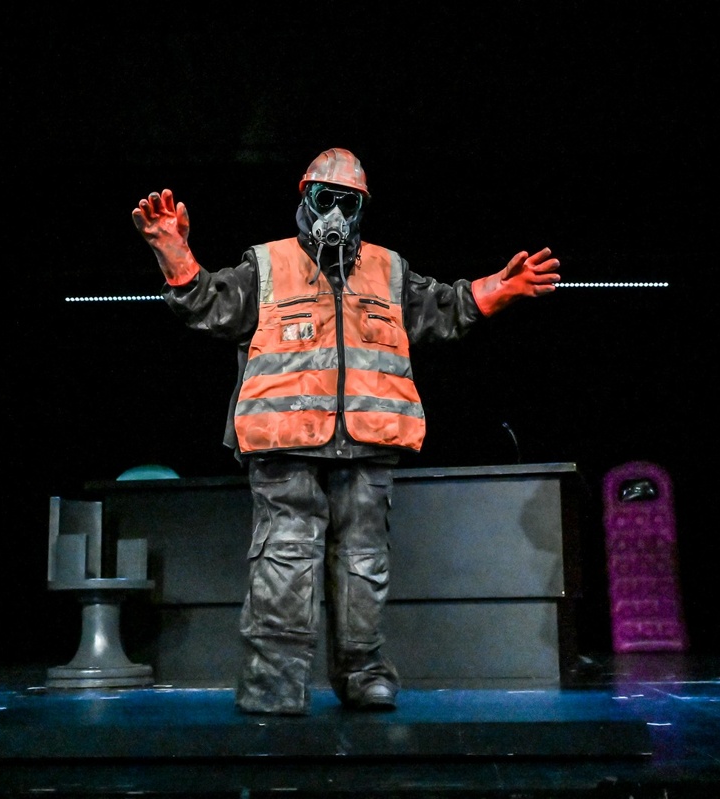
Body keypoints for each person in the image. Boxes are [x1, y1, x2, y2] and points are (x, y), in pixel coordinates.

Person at [131, 148, 560, 715]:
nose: (335, 212)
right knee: (284, 562)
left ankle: (363, 673)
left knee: (364, 566)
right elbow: (211, 305)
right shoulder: (267, 265)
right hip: (285, 447)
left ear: (362, 208)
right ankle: (274, 683)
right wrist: (174, 253)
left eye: (348, 202)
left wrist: (494, 290)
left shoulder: (388, 270)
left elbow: (441, 308)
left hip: (366, 444)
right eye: (324, 198)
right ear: (304, 197)